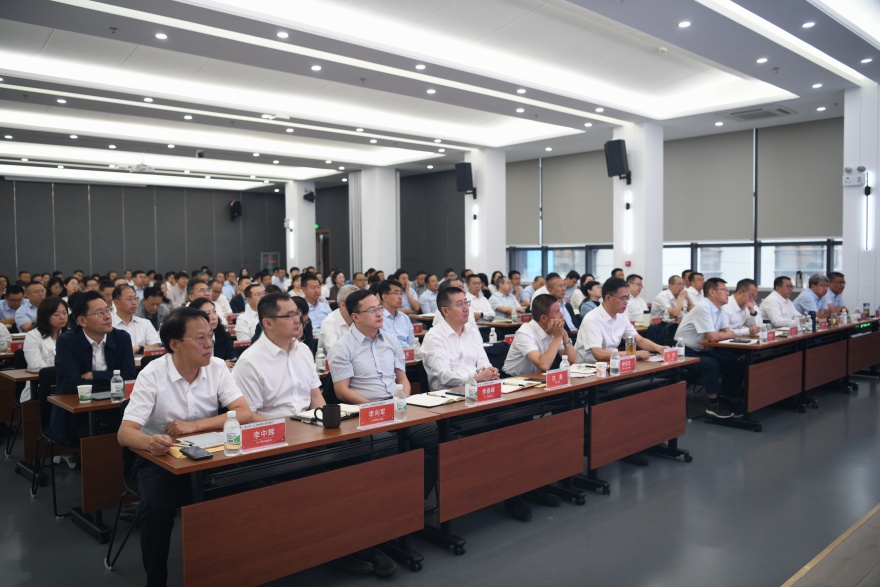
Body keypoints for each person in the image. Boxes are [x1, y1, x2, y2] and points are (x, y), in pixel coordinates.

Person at [118, 306, 252, 587]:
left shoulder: (216, 367)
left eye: (210, 336)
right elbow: (125, 434)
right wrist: (151, 442)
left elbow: (243, 412)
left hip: (209, 453)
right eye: (200, 338)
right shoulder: (152, 374)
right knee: (157, 508)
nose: (208, 344)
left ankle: (237, 569)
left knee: (251, 487)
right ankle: (156, 580)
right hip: (161, 458)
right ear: (174, 345)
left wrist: (195, 426)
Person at [327, 289, 438, 577]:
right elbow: (342, 391)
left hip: (396, 407)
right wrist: (375, 409)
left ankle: (413, 502)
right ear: (355, 317)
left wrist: (403, 399)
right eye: (372, 310)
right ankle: (385, 516)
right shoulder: (342, 347)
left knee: (432, 433)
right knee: (386, 445)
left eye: (379, 308)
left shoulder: (390, 340)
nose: (379, 313)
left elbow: (402, 377)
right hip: (365, 414)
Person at [52, 291, 136, 446]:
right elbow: (71, 383)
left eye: (108, 310)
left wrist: (93, 376)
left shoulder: (121, 338)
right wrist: (111, 382)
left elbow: (129, 377)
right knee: (91, 434)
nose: (107, 317)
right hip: (78, 411)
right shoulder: (67, 341)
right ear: (82, 321)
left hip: (115, 408)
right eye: (99, 313)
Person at [233, 292, 323, 419]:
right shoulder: (249, 362)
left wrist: (325, 422)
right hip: (272, 427)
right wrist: (282, 430)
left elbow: (316, 396)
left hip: (308, 423)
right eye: (289, 316)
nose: (297, 320)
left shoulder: (303, 350)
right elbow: (249, 415)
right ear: (268, 323)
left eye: (297, 313)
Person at [676, 277, 744, 419]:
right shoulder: (704, 307)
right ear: (712, 292)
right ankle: (713, 404)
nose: (728, 293)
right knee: (711, 364)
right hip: (684, 351)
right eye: (724, 290)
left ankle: (726, 398)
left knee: (734, 361)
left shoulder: (720, 308)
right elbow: (715, 336)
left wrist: (720, 335)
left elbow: (726, 332)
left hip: (703, 349)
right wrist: (719, 335)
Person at [422, 286, 498, 391]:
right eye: (460, 304)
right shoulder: (433, 337)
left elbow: (483, 362)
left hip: (475, 388)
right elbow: (445, 376)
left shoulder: (472, 332)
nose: (466, 309)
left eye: (466, 302)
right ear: (445, 311)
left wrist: (489, 371)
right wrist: (477, 378)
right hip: (447, 394)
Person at [576, 277, 667, 364]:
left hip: (611, 362)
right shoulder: (592, 319)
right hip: (587, 367)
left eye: (627, 298)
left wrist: (659, 348)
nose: (626, 302)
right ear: (608, 298)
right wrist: (632, 354)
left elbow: (639, 340)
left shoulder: (622, 316)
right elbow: (598, 353)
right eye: (623, 298)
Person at [503, 293, 577, 376]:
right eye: (557, 311)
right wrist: (557, 337)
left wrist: (565, 336)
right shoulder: (524, 333)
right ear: (544, 318)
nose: (562, 315)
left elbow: (572, 361)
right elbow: (544, 366)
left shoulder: (554, 329)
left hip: (537, 378)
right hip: (513, 379)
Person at [21, 297, 69, 402]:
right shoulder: (33, 336)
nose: (62, 317)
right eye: (56, 314)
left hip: (69, 383)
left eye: (65, 313)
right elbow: (38, 367)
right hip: (41, 388)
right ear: (45, 316)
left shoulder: (71, 334)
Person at [111, 284, 162, 355]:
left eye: (135, 298)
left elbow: (156, 345)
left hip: (142, 361)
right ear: (117, 303)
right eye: (129, 299)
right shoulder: (108, 324)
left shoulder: (145, 323)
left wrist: (139, 349)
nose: (134, 303)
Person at [189, 297, 235, 367]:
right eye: (208, 313)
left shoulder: (224, 335)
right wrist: (220, 364)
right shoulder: (190, 339)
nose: (214, 317)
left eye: (214, 312)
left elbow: (232, 360)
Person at [320, 285, 358, 352]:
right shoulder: (329, 322)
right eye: (356, 302)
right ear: (343, 305)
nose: (360, 305)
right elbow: (334, 351)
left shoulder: (362, 319)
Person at [378, 279, 414, 347]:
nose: (400, 297)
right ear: (385, 297)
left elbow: (411, 343)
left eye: (401, 293)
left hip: (407, 352)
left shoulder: (404, 318)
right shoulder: (377, 318)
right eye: (396, 293)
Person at [302, 273, 331, 339]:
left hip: (327, 338)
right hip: (310, 339)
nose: (317, 290)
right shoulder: (300, 308)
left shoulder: (325, 306)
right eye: (313, 287)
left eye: (318, 287)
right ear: (304, 290)